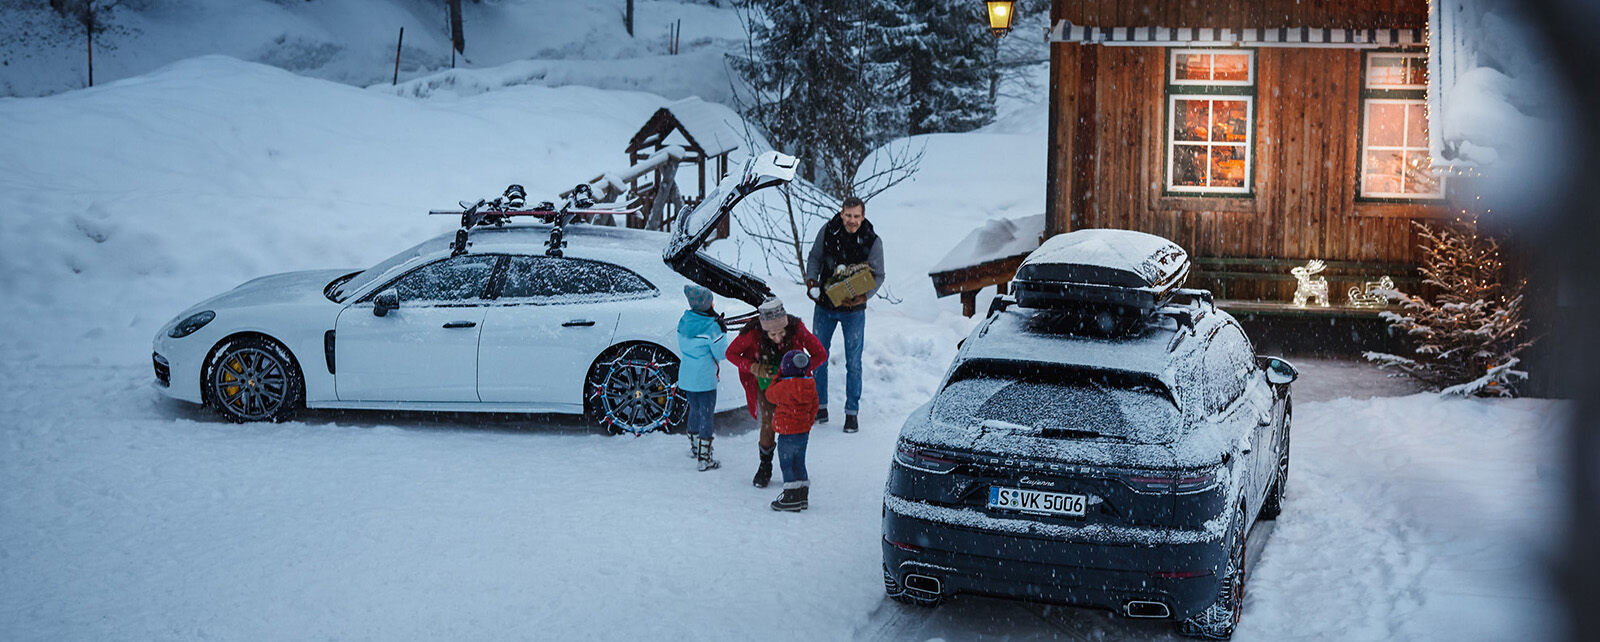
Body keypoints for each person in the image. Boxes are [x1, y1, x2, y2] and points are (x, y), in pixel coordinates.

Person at [725, 297, 825, 488]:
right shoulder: (752, 333)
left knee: (794, 426)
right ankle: (765, 465)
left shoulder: (797, 329)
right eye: (772, 334)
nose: (778, 337)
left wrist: (799, 370)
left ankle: (795, 468)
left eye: (781, 332)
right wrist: (752, 367)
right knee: (768, 425)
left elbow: (820, 354)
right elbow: (731, 353)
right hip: (766, 385)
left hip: (792, 387)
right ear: (763, 330)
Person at [805, 196, 884, 433]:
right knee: (819, 356)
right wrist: (811, 281)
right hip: (825, 306)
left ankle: (852, 413)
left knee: (854, 362)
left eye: (856, 216)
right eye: (848, 216)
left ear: (863, 216)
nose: (852, 221)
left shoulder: (872, 240)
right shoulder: (828, 231)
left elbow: (879, 275)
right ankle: (820, 407)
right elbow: (815, 258)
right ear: (841, 214)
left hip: (854, 312)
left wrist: (864, 295)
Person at [676, 284, 729, 472]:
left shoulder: (685, 319)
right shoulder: (712, 327)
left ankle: (694, 446)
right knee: (707, 414)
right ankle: (704, 458)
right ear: (708, 304)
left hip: (687, 376)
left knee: (695, 411)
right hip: (705, 379)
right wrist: (722, 332)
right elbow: (722, 354)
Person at [765, 350, 818, 512]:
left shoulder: (784, 387)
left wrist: (776, 377)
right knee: (800, 464)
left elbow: (769, 395)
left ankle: (791, 497)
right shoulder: (810, 385)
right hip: (803, 433)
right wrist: (807, 425)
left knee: (787, 465)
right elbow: (814, 408)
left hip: (787, 434)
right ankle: (802, 496)